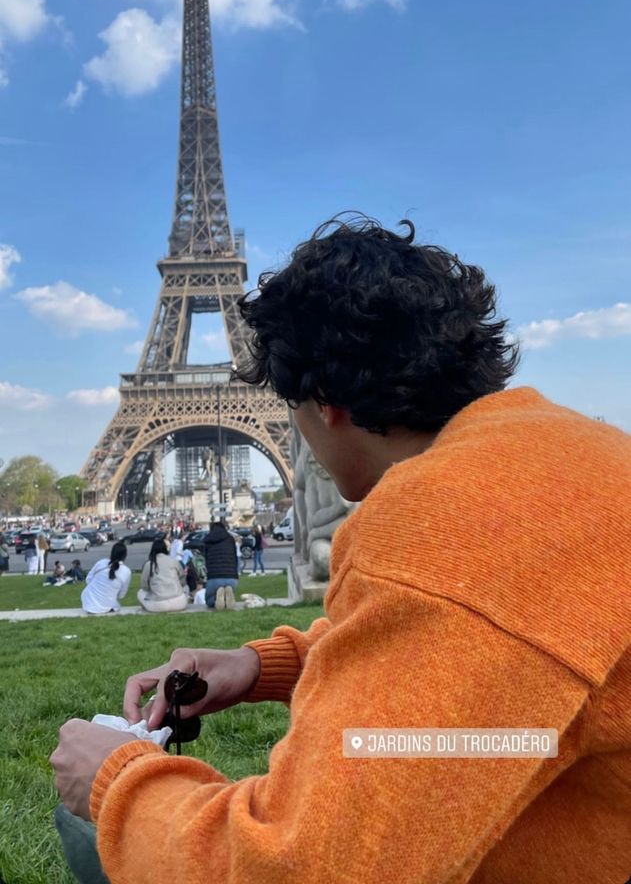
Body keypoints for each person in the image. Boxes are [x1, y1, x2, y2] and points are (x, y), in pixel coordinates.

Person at [51, 216, 631, 884]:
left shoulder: (440, 518)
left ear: (321, 403)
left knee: (89, 824)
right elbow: (474, 655)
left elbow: (312, 870)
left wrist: (116, 779)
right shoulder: (572, 454)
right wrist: (262, 664)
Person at [137, 539, 188, 613]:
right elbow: (183, 581)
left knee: (140, 593)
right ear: (165, 549)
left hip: (159, 605)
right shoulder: (174, 561)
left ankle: (147, 606)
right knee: (186, 588)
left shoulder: (149, 564)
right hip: (179, 603)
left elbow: (144, 587)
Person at [80, 542, 131, 615]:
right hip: (107, 605)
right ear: (125, 555)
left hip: (87, 602)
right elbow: (121, 595)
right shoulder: (126, 571)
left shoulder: (101, 562)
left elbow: (88, 580)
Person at [202, 519, 238, 609]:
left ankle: (215, 599)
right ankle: (226, 597)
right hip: (232, 577)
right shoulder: (230, 539)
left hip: (214, 577)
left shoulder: (207, 540)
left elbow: (206, 559)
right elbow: (235, 557)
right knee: (228, 588)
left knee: (208, 601)